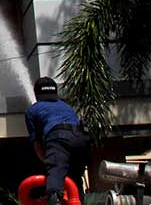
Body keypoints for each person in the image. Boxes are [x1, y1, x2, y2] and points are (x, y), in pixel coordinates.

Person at [25, 77, 91, 205]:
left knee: (55, 175)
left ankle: (54, 199)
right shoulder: (67, 106)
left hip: (59, 136)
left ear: (36, 94)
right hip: (82, 138)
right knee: (75, 179)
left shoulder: (32, 110)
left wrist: (48, 162)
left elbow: (37, 143)